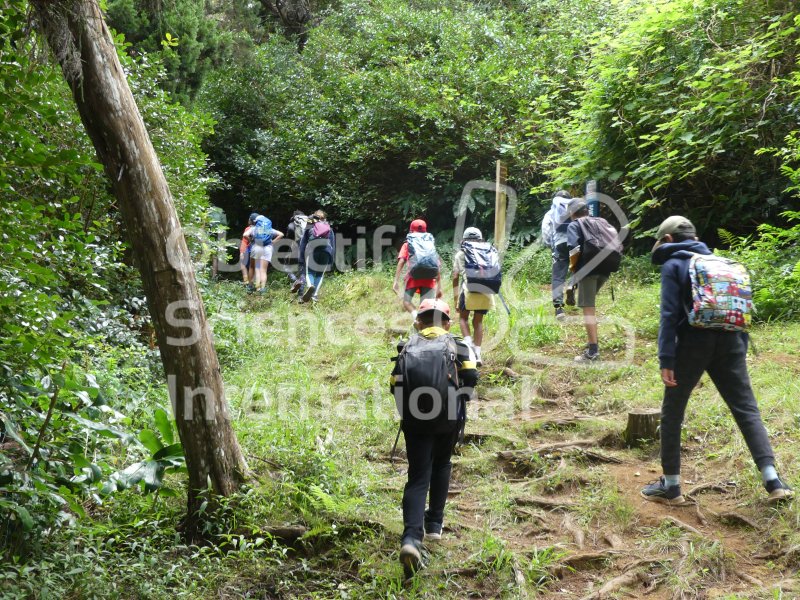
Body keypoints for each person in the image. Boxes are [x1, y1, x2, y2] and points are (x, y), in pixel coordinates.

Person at [641, 216, 793, 506]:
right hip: (731, 341)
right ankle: (773, 480)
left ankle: (671, 487)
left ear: (669, 240)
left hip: (692, 343)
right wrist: (740, 346)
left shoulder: (674, 265)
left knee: (673, 411)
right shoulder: (723, 264)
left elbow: (669, 315)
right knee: (746, 409)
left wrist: (666, 358)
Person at [390, 299, 478, 578]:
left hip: (415, 422)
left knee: (417, 476)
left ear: (419, 322)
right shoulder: (458, 345)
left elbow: (394, 385)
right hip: (448, 419)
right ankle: (435, 526)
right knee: (442, 465)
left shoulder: (407, 346)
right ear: (448, 323)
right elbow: (472, 376)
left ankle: (411, 540)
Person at [566, 198, 619, 362]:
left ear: (571, 213)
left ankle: (592, 351)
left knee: (588, 308)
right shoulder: (601, 221)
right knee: (589, 304)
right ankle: (592, 341)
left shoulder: (574, 225)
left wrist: (574, 271)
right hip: (606, 267)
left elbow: (574, 249)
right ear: (586, 210)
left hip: (588, 269)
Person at [451, 227, 495, 366]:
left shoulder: (460, 254)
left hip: (469, 291)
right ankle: (478, 354)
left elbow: (455, 276)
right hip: (486, 292)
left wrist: (455, 299)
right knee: (478, 322)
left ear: (463, 240)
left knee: (463, 318)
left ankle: (469, 346)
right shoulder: (487, 252)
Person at [393, 219, 441, 318]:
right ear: (425, 230)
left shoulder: (408, 244)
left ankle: (416, 318)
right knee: (426, 307)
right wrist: (439, 286)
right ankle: (424, 328)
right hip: (429, 279)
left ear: (411, 230)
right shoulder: (429, 244)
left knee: (406, 302)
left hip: (412, 278)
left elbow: (401, 261)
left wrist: (395, 281)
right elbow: (436, 265)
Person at [541, 190, 575, 320]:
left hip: (559, 244)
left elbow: (546, 231)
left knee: (558, 276)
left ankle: (559, 309)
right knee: (577, 266)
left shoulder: (551, 213)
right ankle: (572, 284)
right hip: (574, 242)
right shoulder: (573, 209)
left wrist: (550, 244)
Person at [297, 210, 335, 303]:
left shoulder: (310, 226)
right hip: (326, 252)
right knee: (319, 274)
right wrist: (331, 258)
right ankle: (314, 296)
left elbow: (303, 243)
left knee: (309, 272)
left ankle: (310, 287)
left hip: (312, 250)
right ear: (324, 218)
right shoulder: (328, 228)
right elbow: (332, 244)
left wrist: (301, 258)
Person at [250, 214, 284, 294]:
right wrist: (272, 242)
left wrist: (251, 241)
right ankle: (262, 289)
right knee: (263, 270)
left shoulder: (254, 229)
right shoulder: (269, 229)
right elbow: (281, 234)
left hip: (257, 247)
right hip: (267, 249)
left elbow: (245, 235)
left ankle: (251, 287)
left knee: (254, 267)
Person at [286, 210, 309, 293]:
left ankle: (294, 280)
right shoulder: (309, 221)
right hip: (309, 247)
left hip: (297, 246)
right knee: (303, 270)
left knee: (286, 265)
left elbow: (289, 236)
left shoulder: (293, 223)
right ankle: (301, 292)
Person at [239, 213, 257, 290]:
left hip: (247, 249)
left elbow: (244, 241)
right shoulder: (260, 229)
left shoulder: (248, 229)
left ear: (250, 220)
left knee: (243, 264)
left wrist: (241, 252)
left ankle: (246, 280)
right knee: (254, 266)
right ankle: (253, 282)